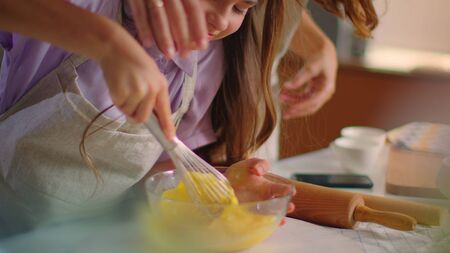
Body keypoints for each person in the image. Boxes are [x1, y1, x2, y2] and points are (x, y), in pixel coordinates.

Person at [0, 0, 378, 235]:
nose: (220, 20)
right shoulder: (85, 11)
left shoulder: (208, 61)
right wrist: (107, 42)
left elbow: (149, 172)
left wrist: (207, 190)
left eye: (241, 7)